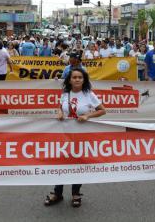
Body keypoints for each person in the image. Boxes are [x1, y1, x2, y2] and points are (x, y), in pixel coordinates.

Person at [44, 67, 106, 208]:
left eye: (80, 77)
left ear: (84, 80)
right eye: (74, 77)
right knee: (61, 163)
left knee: (78, 164)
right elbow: (60, 107)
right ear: (69, 80)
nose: (77, 79)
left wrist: (87, 116)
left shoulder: (89, 94)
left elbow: (103, 110)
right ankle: (57, 193)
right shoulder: (66, 93)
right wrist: (59, 112)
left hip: (81, 136)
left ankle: (76, 193)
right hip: (65, 134)